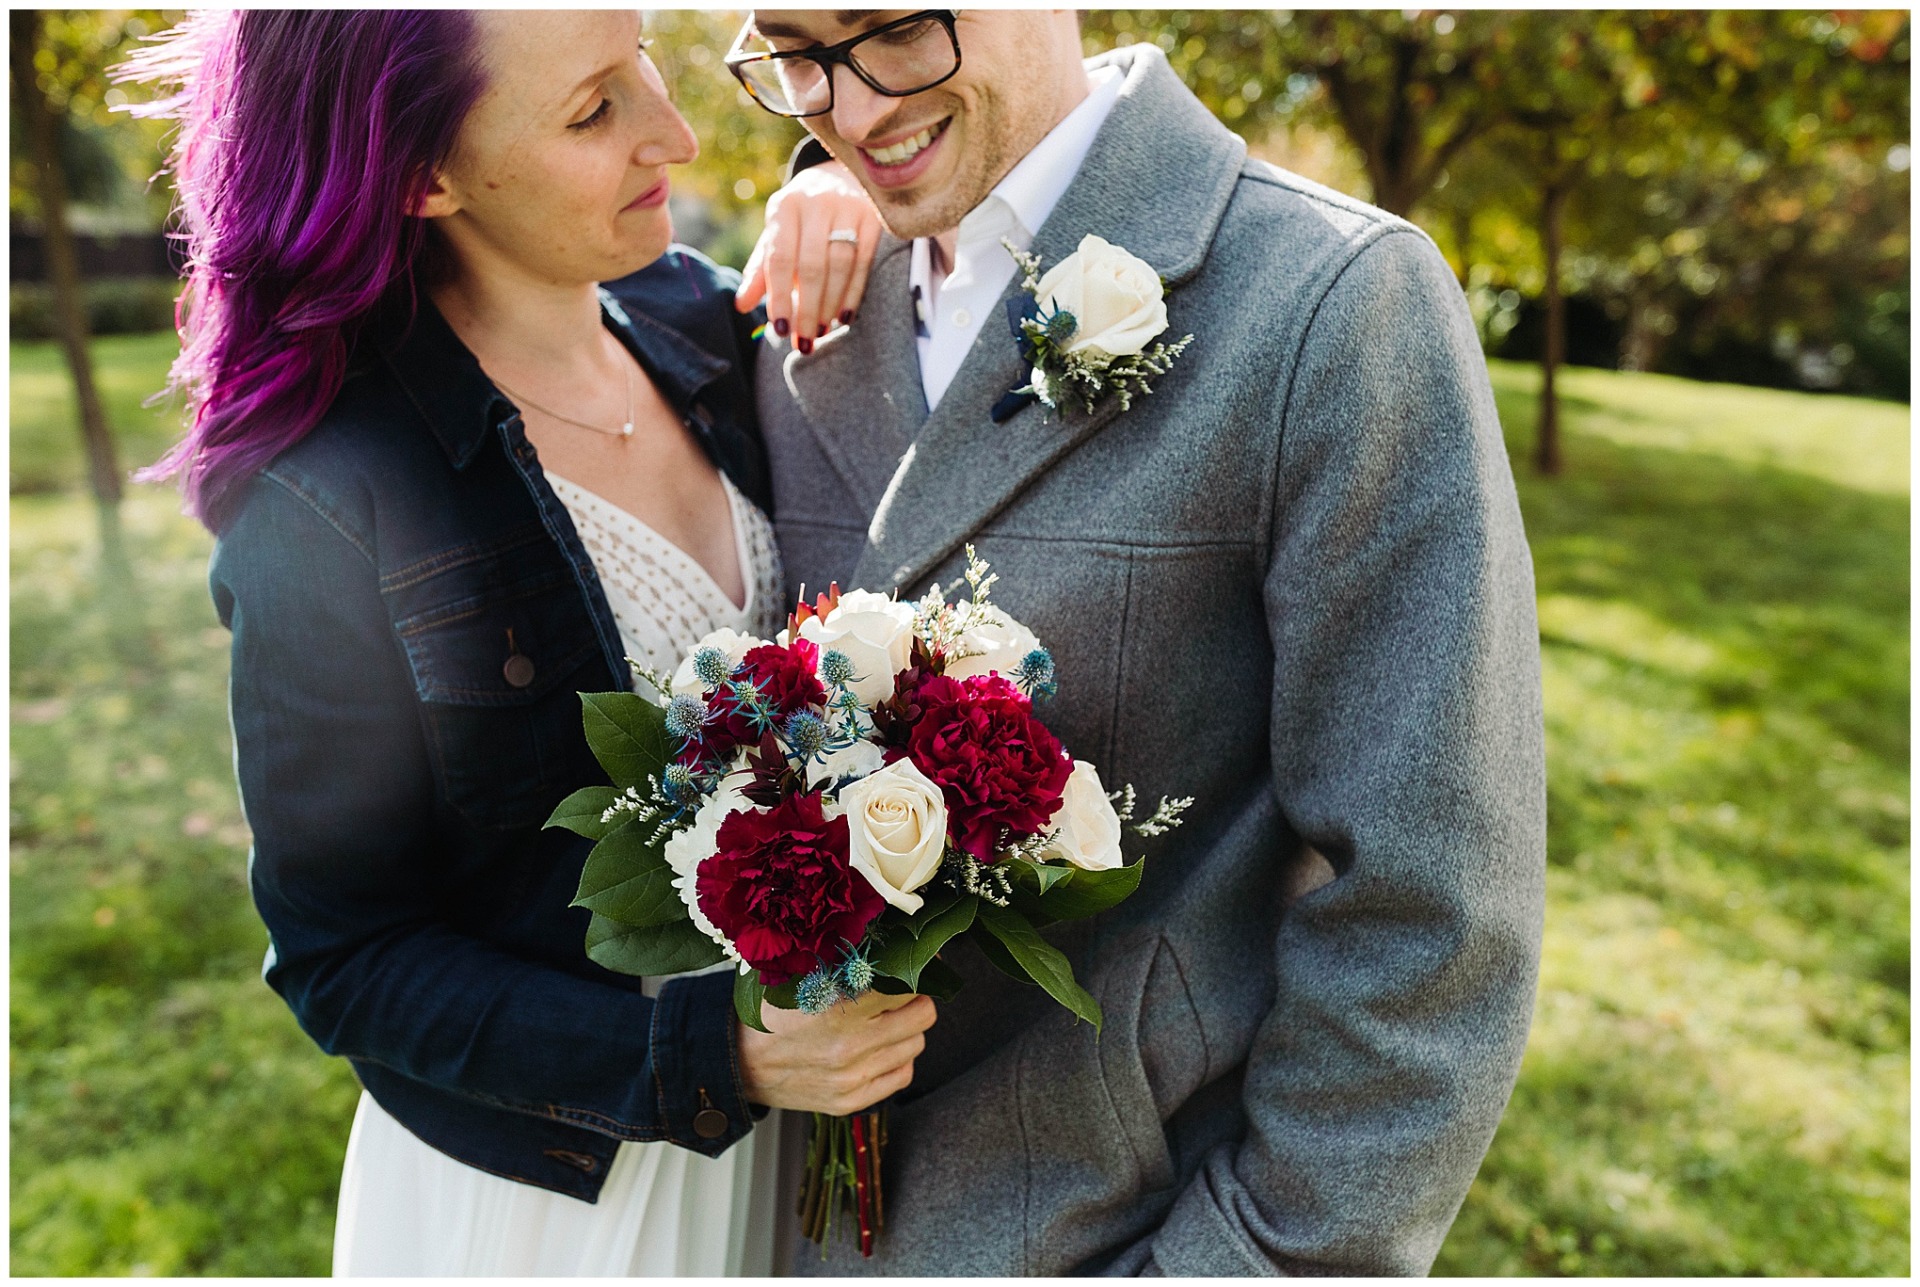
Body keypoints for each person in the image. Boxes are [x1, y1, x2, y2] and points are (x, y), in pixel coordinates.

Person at [736, 9, 1548, 1275]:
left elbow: (1428, 916)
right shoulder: (810, 308)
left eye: (889, 27)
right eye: (792, 50)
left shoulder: (1333, 303)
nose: (846, 105)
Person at [123, 9, 929, 1276]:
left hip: (815, 1172)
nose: (671, 130)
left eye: (649, 62)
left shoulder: (711, 328)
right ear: (421, 175)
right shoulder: (328, 494)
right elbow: (349, 956)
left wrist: (832, 184)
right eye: (592, 109)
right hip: (569, 1199)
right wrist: (719, 1058)